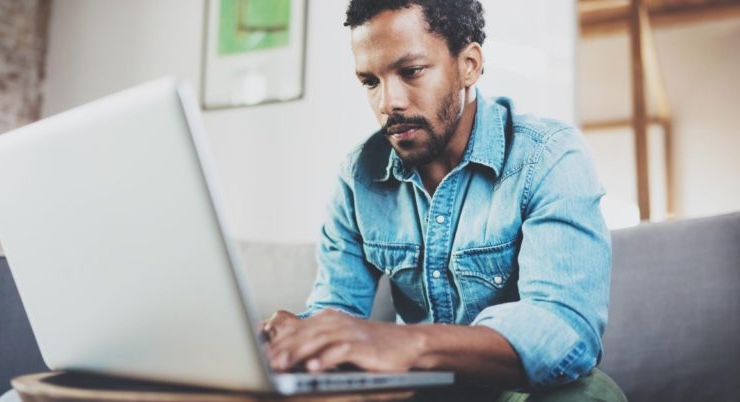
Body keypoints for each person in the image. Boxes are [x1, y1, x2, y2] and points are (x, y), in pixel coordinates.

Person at [264, 1, 626, 400]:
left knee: (589, 393)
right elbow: (336, 308)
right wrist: (300, 334)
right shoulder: (358, 177)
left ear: (468, 64)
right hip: (415, 391)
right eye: (370, 81)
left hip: (514, 391)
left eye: (411, 71)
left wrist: (411, 343)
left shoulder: (549, 156)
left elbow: (564, 327)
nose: (389, 102)